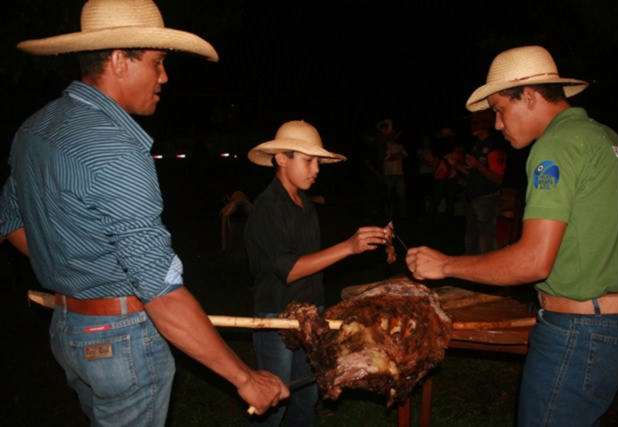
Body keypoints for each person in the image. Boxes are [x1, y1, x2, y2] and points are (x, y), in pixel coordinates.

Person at [0, 1, 289, 425]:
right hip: (121, 343)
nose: (164, 77)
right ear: (119, 61)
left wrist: (78, 269)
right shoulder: (116, 150)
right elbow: (163, 294)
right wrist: (245, 378)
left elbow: (11, 224)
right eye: (157, 63)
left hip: (69, 331)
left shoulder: (34, 129)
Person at [405, 45, 618, 426]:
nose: (497, 124)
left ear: (529, 95)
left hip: (578, 332)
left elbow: (533, 260)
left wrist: (445, 264)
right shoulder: (612, 142)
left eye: (499, 109)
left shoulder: (557, 145)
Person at [244, 120, 390, 426]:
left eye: (318, 162)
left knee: (306, 398)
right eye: (308, 161)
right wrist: (348, 247)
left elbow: (311, 262)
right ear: (282, 159)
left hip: (312, 312)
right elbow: (291, 269)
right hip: (277, 316)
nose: (316, 169)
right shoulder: (268, 207)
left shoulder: (305, 204)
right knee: (273, 402)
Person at [448, 109, 508, 254]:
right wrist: (455, 165)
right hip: (473, 198)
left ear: (485, 124)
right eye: (472, 123)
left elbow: (498, 179)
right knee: (471, 241)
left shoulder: (494, 147)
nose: (472, 126)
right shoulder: (476, 146)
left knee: (486, 242)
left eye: (476, 123)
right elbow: (472, 174)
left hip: (487, 200)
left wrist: (478, 165)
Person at [378, 118, 408, 221]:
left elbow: (405, 155)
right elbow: (386, 158)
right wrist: (396, 156)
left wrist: (393, 156)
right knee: (388, 197)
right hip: (388, 174)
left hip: (399, 174)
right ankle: (387, 216)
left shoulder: (399, 145)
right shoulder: (384, 145)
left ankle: (403, 216)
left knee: (401, 196)